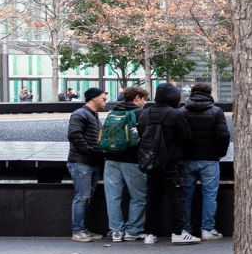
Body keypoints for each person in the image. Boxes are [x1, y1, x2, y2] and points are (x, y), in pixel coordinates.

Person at [140, 82, 193, 243]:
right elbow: (186, 137)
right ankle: (177, 232)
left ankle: (150, 233)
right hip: (171, 163)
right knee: (176, 198)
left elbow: (142, 134)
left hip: (151, 163)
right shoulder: (175, 115)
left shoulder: (145, 114)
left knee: (152, 198)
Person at [179, 83, 230, 241]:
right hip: (209, 159)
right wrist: (220, 153)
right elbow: (223, 136)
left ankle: (185, 229)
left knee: (186, 195)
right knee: (209, 195)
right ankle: (207, 229)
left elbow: (177, 136)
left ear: (192, 93)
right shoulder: (216, 112)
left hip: (187, 159)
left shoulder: (182, 112)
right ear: (209, 93)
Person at [101, 85, 149, 243]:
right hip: (132, 160)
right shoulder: (140, 113)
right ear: (137, 98)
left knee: (113, 197)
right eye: (144, 99)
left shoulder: (113, 111)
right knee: (139, 197)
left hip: (110, 159)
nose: (145, 103)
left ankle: (116, 231)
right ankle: (132, 231)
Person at [65, 87, 108, 242]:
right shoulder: (80, 114)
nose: (106, 101)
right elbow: (73, 135)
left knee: (86, 197)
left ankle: (82, 229)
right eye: (103, 98)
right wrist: (90, 150)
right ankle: (77, 232)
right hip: (81, 162)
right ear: (94, 98)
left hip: (90, 162)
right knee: (82, 197)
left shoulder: (93, 115)